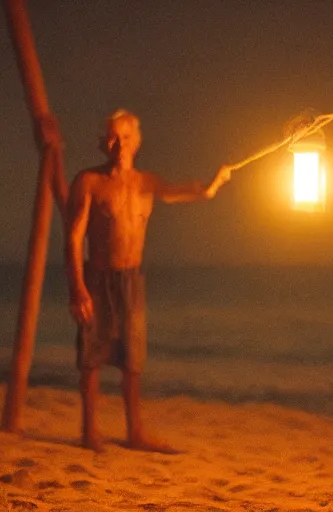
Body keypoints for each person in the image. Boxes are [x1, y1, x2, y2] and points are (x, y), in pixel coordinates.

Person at [64, 109, 233, 452]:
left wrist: (214, 185)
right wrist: (77, 288)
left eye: (126, 137)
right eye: (112, 137)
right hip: (97, 277)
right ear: (102, 143)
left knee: (132, 360)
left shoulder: (146, 182)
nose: (119, 145)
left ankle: (134, 433)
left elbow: (180, 192)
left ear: (137, 142)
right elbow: (73, 238)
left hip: (131, 279)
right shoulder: (88, 182)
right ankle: (89, 432)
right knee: (91, 357)